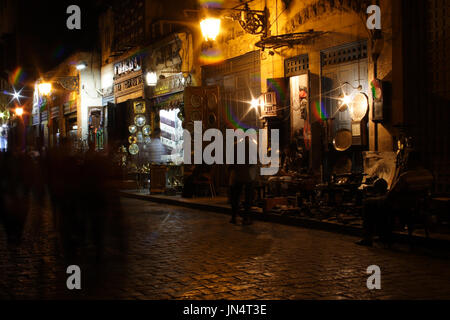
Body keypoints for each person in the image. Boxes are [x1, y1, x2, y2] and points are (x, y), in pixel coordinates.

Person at [356, 151, 434, 247]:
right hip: (417, 207)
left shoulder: (405, 176)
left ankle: (368, 238)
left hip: (401, 207)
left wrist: (381, 196)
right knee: (380, 203)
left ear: (411, 161)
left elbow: (392, 195)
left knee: (369, 203)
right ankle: (383, 235)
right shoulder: (428, 175)